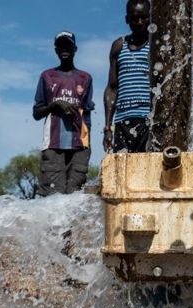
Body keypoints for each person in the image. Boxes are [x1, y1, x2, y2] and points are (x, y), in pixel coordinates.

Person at [33, 31, 94, 196]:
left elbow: (87, 113)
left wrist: (87, 145)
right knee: (53, 196)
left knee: (76, 196)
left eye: (68, 46)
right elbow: (37, 113)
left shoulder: (85, 78)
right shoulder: (47, 76)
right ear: (55, 50)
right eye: (60, 46)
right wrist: (55, 104)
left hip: (79, 146)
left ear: (75, 49)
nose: (64, 49)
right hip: (53, 145)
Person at [104, 0, 151, 153]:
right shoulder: (119, 46)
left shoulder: (155, 46)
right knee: (122, 167)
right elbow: (112, 88)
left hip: (148, 121)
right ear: (127, 19)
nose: (140, 22)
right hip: (122, 122)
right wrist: (107, 127)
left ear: (150, 18)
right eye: (135, 18)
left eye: (144, 17)